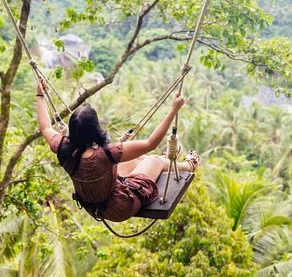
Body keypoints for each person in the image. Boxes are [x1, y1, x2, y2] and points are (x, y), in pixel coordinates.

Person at [35, 80, 201, 222]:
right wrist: (173, 110)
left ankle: (165, 163)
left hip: (94, 206)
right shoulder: (105, 154)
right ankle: (189, 165)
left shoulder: (63, 147)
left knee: (138, 159)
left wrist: (40, 95)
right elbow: (150, 143)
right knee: (153, 160)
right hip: (120, 206)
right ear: (96, 129)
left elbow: (45, 127)